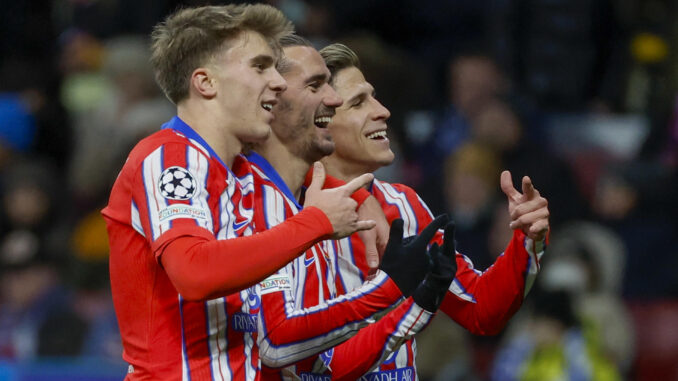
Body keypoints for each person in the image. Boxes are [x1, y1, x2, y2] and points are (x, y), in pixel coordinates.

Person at [102, 5, 398, 379]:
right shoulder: (170, 157)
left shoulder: (242, 176)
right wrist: (317, 222)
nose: (277, 82)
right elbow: (194, 273)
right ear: (205, 83)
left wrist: (364, 203)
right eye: (260, 67)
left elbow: (279, 336)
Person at [276, 43, 550, 379]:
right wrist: (412, 307)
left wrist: (526, 239)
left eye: (374, 96)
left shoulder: (402, 203)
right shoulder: (286, 211)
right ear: (321, 120)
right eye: (359, 102)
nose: (383, 111)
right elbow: (313, 368)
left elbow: (482, 310)